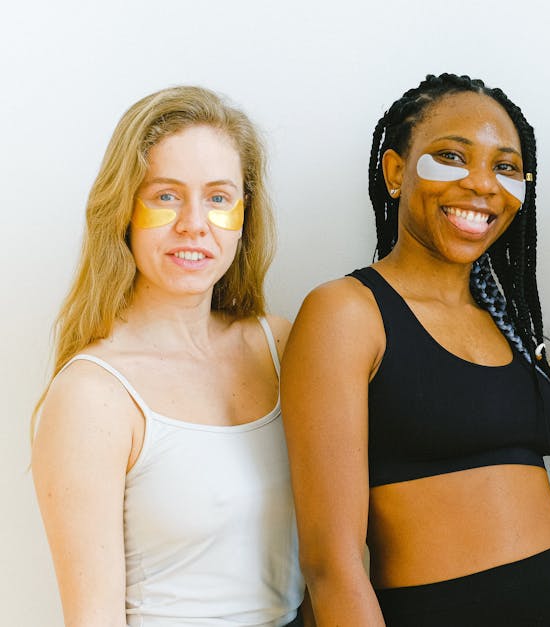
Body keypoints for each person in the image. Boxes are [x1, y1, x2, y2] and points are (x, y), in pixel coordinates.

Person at [281, 73, 550, 627]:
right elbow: (331, 564)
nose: (482, 184)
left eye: (505, 167)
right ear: (395, 172)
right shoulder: (348, 313)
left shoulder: (510, 322)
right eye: (452, 156)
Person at [31, 86, 306, 627]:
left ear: (245, 213)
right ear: (124, 209)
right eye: (166, 195)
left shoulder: (283, 345)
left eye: (219, 197)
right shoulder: (92, 396)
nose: (194, 224)